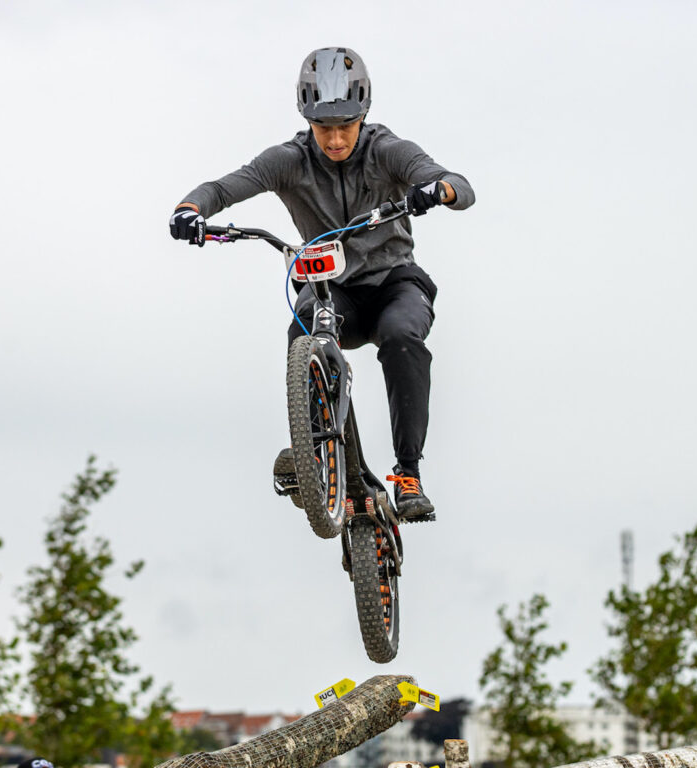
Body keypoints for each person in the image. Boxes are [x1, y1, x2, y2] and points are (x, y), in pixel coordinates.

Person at [169, 47, 475, 517]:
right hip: (334, 288)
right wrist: (191, 210)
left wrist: (440, 190)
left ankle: (408, 473)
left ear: (363, 116)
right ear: (307, 119)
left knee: (401, 338)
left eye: (345, 126)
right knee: (304, 329)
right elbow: (225, 188)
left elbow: (457, 185)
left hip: (395, 283)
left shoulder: (388, 151)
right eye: (323, 127)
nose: (334, 139)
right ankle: (318, 454)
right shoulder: (287, 161)